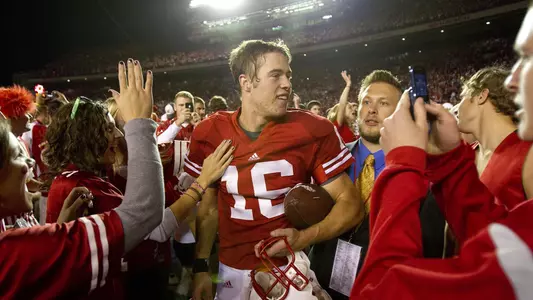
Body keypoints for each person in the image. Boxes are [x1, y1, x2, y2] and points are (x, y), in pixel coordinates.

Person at [350, 6, 533, 297]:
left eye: (527, 57)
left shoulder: (526, 156)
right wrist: (450, 162)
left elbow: (381, 291)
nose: (511, 81)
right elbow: (497, 238)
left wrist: (402, 163)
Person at [186, 39, 363, 300]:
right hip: (230, 269)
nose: (287, 84)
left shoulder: (312, 129)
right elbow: (209, 207)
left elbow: (351, 204)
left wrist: (304, 238)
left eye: (288, 75)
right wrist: (201, 266)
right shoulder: (209, 132)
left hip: (288, 267)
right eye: (276, 75)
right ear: (246, 83)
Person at [0, 59, 166, 298]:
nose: (30, 164)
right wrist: (139, 124)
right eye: (17, 155)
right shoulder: (13, 251)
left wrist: (58, 231)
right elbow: (145, 213)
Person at [457, 67, 533, 205]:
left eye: (462, 97)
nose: (458, 107)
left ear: (481, 96)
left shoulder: (527, 153)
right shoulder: (466, 156)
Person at [327, 71, 358, 143]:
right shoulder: (339, 126)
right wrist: (348, 85)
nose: (353, 110)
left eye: (353, 108)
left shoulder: (354, 128)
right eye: (350, 108)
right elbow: (342, 104)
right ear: (342, 112)